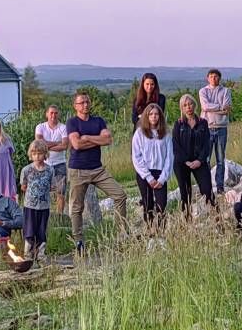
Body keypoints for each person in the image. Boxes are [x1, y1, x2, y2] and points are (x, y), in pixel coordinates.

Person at [66, 91, 127, 254]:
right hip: (78, 169)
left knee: (120, 195)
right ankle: (79, 241)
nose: (85, 105)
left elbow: (108, 139)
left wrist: (86, 137)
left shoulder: (98, 121)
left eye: (87, 102)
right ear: (75, 106)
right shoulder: (72, 122)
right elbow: (77, 145)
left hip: (97, 169)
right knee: (77, 207)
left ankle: (122, 234)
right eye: (82, 102)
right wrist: (96, 140)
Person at [131, 103, 173, 232]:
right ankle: (149, 230)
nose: (154, 116)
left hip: (160, 173)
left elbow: (169, 157)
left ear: (160, 116)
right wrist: (148, 177)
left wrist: (162, 178)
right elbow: (136, 157)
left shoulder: (166, 133)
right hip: (145, 174)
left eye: (156, 114)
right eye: (151, 114)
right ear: (146, 116)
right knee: (148, 204)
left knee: (161, 205)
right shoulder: (139, 133)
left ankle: (161, 232)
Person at [172, 94, 215, 218]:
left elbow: (207, 144)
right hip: (182, 163)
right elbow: (175, 145)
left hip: (199, 161)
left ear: (194, 105)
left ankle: (216, 218)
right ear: (182, 108)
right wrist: (186, 161)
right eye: (185, 105)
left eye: (190, 104)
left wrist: (199, 160)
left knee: (207, 190)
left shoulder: (203, 123)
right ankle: (187, 220)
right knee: (185, 193)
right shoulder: (178, 124)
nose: (188, 107)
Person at [199, 69, 232, 194]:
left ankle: (220, 186)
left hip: (221, 128)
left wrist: (212, 108)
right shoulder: (203, 91)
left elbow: (227, 109)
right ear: (207, 78)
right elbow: (205, 106)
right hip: (207, 128)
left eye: (216, 76)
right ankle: (206, 186)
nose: (214, 78)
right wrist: (220, 107)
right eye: (211, 76)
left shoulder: (226, 91)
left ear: (219, 78)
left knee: (220, 160)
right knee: (206, 159)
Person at [20, 140, 54, 261]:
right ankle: (28, 253)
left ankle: (41, 253)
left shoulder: (50, 170)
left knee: (42, 229)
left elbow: (52, 186)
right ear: (31, 155)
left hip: (44, 205)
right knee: (29, 229)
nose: (37, 156)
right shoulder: (26, 170)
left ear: (45, 154)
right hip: (30, 205)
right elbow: (23, 186)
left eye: (40, 153)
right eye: (34, 154)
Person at [35, 105, 69, 216]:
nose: (53, 115)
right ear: (47, 114)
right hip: (43, 163)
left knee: (61, 192)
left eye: (55, 113)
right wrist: (58, 143)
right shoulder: (40, 127)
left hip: (60, 163)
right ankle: (43, 215)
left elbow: (65, 146)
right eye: (51, 113)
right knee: (42, 190)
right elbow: (39, 144)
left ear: (58, 114)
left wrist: (47, 145)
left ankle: (59, 216)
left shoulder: (63, 127)